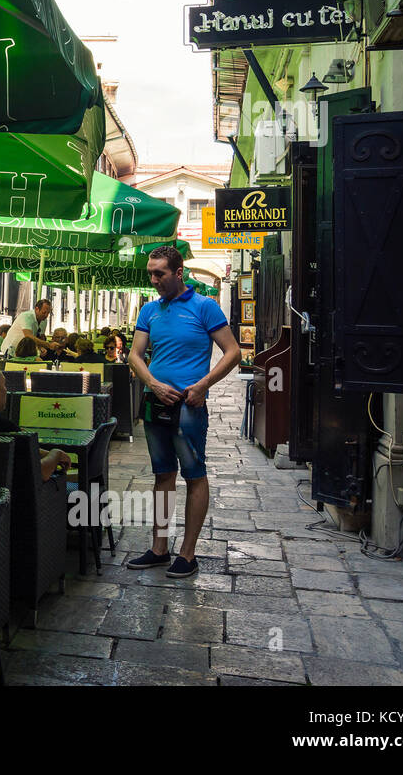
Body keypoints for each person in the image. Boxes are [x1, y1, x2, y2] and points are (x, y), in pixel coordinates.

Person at [126, 245, 241, 578]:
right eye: (151, 273)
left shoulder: (205, 307)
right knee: (162, 475)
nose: (153, 279)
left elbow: (232, 352)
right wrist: (153, 383)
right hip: (155, 402)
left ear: (178, 273)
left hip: (188, 407)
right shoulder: (149, 310)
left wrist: (203, 385)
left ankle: (187, 554)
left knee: (194, 474)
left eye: (159, 273)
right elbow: (135, 355)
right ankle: (159, 549)